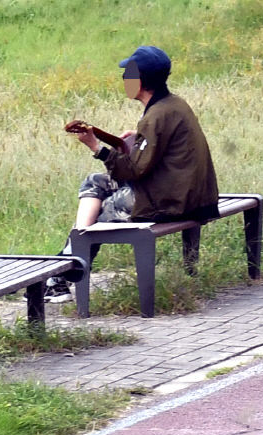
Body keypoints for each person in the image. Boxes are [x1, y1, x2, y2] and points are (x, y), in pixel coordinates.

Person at [47, 44, 219, 303]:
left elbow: (135, 170)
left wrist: (96, 147)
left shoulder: (155, 117)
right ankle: (68, 264)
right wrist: (138, 140)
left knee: (103, 211)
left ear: (141, 81)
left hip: (172, 201)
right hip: (188, 193)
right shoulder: (174, 105)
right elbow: (159, 149)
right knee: (94, 181)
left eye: (128, 75)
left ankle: (66, 274)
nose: (124, 80)